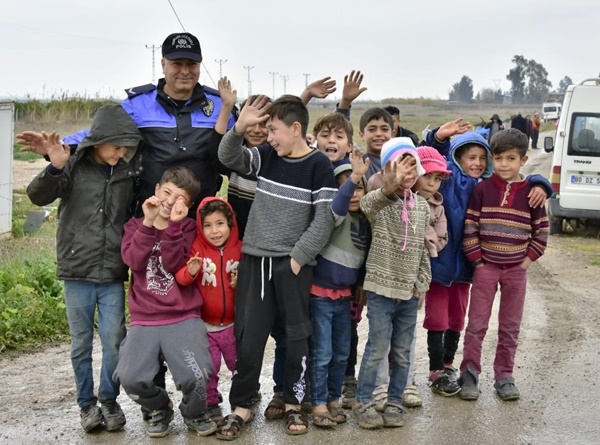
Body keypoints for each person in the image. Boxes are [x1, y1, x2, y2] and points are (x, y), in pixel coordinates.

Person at [216, 94, 336, 439]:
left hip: (293, 266)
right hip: (255, 260)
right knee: (249, 335)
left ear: (295, 128)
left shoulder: (319, 166)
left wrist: (297, 259)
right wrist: (238, 127)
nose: (268, 136)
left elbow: (323, 219)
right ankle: (242, 406)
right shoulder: (267, 156)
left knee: (296, 337)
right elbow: (228, 156)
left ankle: (294, 404)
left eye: (274, 129)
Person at [20, 32, 237, 217]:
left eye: (191, 64)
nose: (185, 71)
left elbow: (237, 148)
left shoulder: (219, 105)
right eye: (177, 64)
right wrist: (56, 147)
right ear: (163, 64)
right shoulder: (139, 103)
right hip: (151, 213)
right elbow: (100, 133)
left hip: (201, 215)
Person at [24, 104, 143, 433]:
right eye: (116, 146)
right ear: (98, 141)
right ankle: (87, 406)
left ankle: (109, 399)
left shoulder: (128, 172)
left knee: (115, 339)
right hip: (77, 269)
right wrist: (54, 168)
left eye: (126, 147)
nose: (121, 153)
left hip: (112, 271)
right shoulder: (72, 164)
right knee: (80, 343)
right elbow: (37, 197)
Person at [115, 166, 216, 438]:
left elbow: (173, 264)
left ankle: (194, 412)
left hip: (183, 315)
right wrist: (148, 224)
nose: (170, 201)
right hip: (145, 317)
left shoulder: (188, 229)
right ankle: (160, 406)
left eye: (179, 198)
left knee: (197, 376)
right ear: (157, 190)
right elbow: (134, 262)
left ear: (189, 204)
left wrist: (171, 227)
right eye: (167, 193)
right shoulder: (135, 226)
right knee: (130, 377)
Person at [458, 129, 549, 401]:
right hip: (486, 268)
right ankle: (470, 374)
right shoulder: (482, 189)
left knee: (510, 326)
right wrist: (478, 261)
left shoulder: (533, 194)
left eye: (511, 158)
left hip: (515, 271)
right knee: (476, 323)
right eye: (498, 158)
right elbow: (471, 226)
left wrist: (526, 260)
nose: (504, 165)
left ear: (523, 160)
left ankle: (504, 376)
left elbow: (542, 231)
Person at [352, 139, 431, 430]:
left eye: (413, 168)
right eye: (401, 167)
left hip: (408, 293)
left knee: (400, 350)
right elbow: (366, 204)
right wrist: (388, 186)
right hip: (381, 291)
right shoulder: (380, 201)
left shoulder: (422, 206)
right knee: (377, 347)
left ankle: (395, 401)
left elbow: (421, 248)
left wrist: (422, 281)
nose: (407, 175)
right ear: (387, 169)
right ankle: (363, 401)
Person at [310, 149, 371, 429]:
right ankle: (319, 402)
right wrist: (353, 178)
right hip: (320, 296)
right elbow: (339, 205)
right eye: (347, 186)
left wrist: (360, 284)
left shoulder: (366, 221)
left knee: (342, 353)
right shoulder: (334, 215)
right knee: (322, 353)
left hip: (345, 298)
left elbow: (362, 258)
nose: (354, 193)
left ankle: (334, 398)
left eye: (359, 186)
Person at [174, 197, 242, 425]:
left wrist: (240, 283)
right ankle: (211, 403)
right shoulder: (197, 249)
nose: (214, 231)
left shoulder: (240, 249)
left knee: (239, 364)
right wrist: (191, 272)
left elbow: (251, 283)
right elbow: (182, 279)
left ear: (230, 224)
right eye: (208, 225)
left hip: (233, 324)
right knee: (209, 368)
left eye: (220, 223)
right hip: (206, 326)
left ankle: (243, 398)